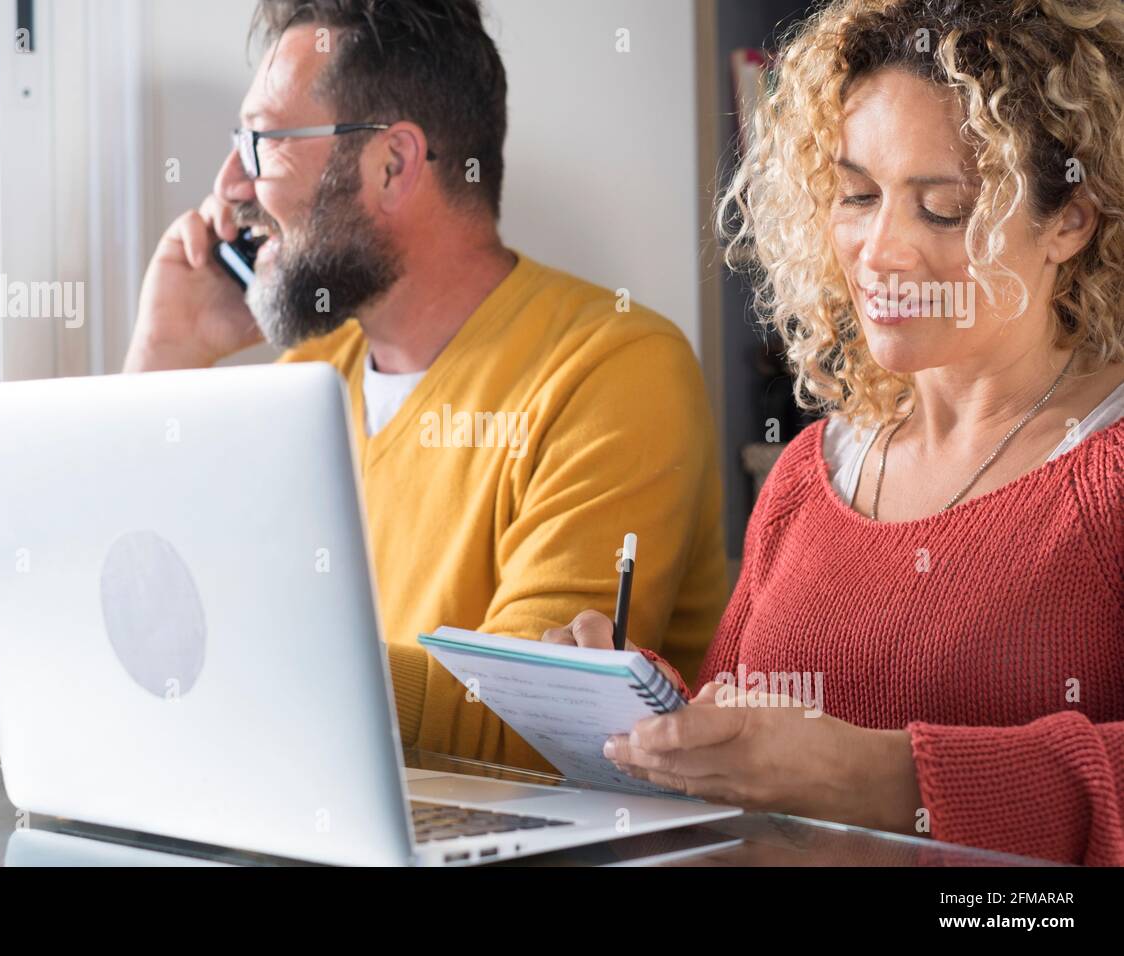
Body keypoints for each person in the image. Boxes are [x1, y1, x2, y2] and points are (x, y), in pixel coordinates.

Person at [545, 0, 1124, 865]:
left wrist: (883, 777)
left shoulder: (1105, 471)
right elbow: (749, 765)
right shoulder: (812, 475)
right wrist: (654, 720)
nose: (880, 250)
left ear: (1070, 220)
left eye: (943, 207)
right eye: (857, 195)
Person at [123, 0, 727, 771]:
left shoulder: (616, 371)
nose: (228, 182)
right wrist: (166, 352)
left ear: (393, 166)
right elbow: (140, 610)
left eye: (262, 140)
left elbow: (524, 723)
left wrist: (251, 645)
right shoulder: (308, 382)